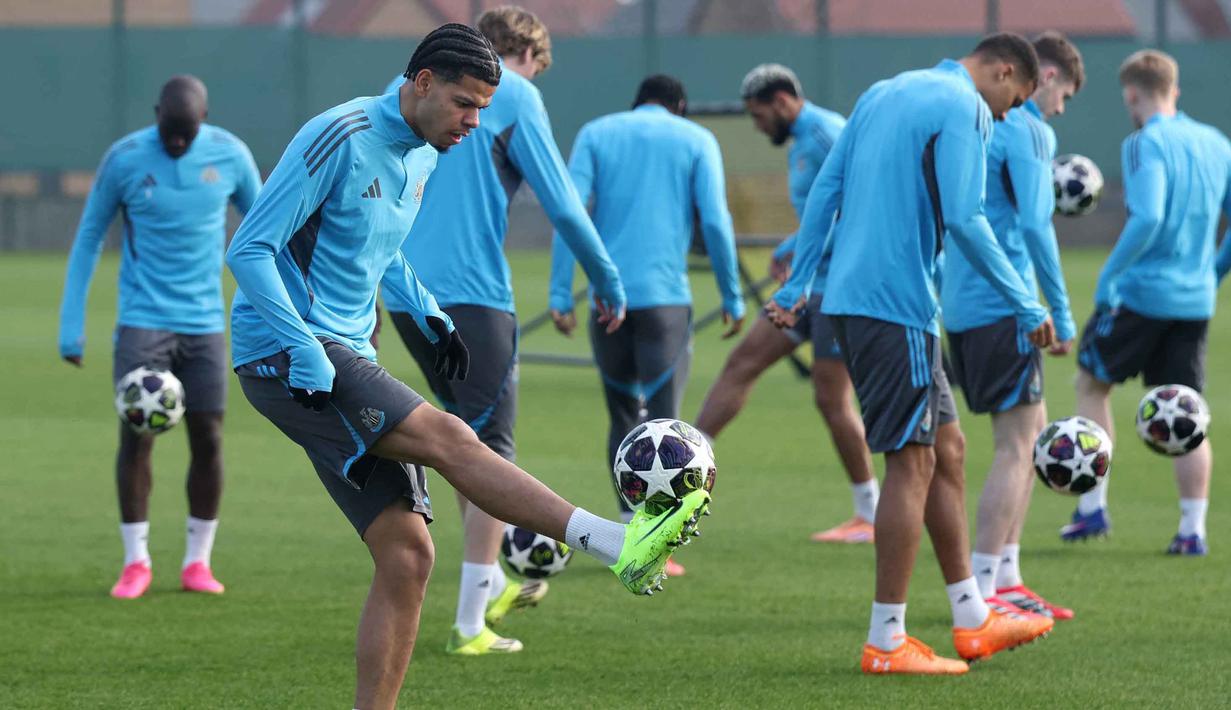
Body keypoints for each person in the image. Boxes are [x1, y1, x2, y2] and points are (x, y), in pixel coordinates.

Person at [226, 24, 706, 710]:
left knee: (408, 557)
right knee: (455, 440)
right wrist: (303, 347)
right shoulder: (338, 134)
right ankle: (616, 543)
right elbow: (249, 249)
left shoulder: (423, 153)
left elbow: (381, 252)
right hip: (287, 352)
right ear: (421, 83)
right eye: (463, 104)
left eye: (483, 108)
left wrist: (427, 312)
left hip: (346, 349)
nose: (474, 123)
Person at [766, 34, 1057, 674]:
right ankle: (888, 639)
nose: (1009, 114)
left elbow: (827, 191)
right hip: (895, 306)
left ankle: (973, 616)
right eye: (1018, 100)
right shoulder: (966, 106)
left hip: (860, 301)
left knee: (947, 449)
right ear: (1004, 71)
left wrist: (798, 283)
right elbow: (965, 216)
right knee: (913, 462)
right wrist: (1026, 303)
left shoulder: (881, 91)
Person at [382, 6, 626, 655]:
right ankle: (470, 624)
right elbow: (563, 202)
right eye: (534, 65)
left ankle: (486, 582)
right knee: (489, 448)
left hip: (405, 292)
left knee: (461, 440)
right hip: (472, 296)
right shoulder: (514, 96)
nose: (530, 79)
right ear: (518, 54)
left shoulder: (409, 90)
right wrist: (605, 279)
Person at [58, 75, 261, 599]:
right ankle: (136, 562)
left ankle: (197, 562)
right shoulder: (124, 159)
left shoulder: (230, 156)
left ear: (204, 120)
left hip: (205, 325)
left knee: (209, 439)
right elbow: (87, 238)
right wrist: (70, 326)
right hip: (143, 321)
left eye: (186, 135)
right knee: (136, 435)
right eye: (170, 132)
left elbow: (266, 227)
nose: (177, 144)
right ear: (155, 115)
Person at [548, 74, 744, 574]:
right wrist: (731, 293)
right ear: (678, 106)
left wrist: (558, 293)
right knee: (667, 424)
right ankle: (658, 543)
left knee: (621, 416)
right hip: (665, 302)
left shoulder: (596, 132)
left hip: (605, 303)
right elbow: (716, 221)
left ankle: (625, 531)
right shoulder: (696, 138)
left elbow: (568, 211)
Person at [693, 63, 879, 544]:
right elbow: (822, 213)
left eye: (758, 115)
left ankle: (871, 514)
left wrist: (804, 250)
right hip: (808, 283)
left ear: (781, 101)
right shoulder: (802, 141)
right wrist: (791, 247)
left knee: (831, 396)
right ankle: (682, 464)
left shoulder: (823, 132)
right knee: (743, 362)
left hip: (837, 287)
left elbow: (860, 206)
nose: (757, 126)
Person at [1068, 49, 1231, 555]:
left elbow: (1148, 217)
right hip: (1194, 300)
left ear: (1132, 94)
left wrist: (1109, 276)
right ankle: (1192, 530)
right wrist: (1214, 271)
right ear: (1175, 90)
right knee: (1187, 410)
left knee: (1092, 384)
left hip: (1140, 296)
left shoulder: (1143, 144)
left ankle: (1092, 508)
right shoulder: (1216, 143)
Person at [943, 31, 1082, 619]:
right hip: (1005, 306)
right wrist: (1060, 309)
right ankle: (983, 587)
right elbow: (1034, 227)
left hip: (961, 303)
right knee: (1018, 446)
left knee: (1030, 436)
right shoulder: (1027, 129)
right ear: (1045, 78)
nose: (1060, 108)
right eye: (1065, 95)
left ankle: (1008, 576)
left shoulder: (974, 118)